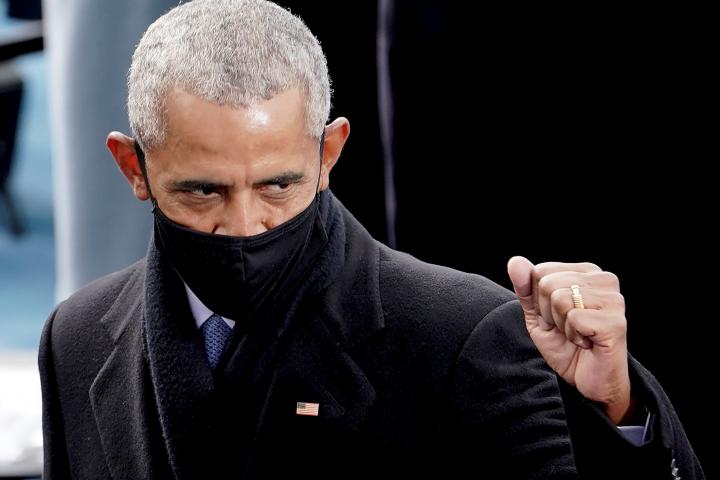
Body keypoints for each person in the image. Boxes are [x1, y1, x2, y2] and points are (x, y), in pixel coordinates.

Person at [38, 1, 704, 479]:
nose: (243, 226)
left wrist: (615, 406)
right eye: (203, 192)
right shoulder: (76, 338)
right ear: (134, 167)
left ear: (328, 153)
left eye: (278, 185)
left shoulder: (463, 338)